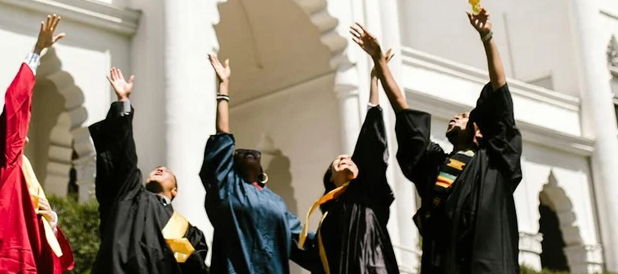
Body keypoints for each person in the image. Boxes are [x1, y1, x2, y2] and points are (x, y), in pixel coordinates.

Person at [357, 9, 522, 274]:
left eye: (465, 116)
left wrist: (487, 36)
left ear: (480, 132)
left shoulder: (496, 162)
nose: (456, 116)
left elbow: (500, 90)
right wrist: (379, 62)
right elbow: (404, 112)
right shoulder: (435, 165)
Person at [0, 14, 74, 274]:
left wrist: (50, 222)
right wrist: (37, 52)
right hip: (7, 264)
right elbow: (15, 105)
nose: (22, 136)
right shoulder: (0, 161)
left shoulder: (12, 173)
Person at [200, 54, 313, 274]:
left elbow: (301, 240)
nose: (249, 153)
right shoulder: (228, 188)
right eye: (241, 153)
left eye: (255, 154)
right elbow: (223, 138)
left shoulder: (276, 203)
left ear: (262, 170)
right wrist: (224, 89)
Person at [89, 66, 208, 272]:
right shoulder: (128, 195)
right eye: (157, 169)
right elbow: (124, 157)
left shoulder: (188, 232)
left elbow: (195, 270)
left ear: (175, 191)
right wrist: (123, 102)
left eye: (167, 171)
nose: (160, 169)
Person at [298, 34, 400, 274]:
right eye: (338, 161)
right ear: (331, 179)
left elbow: (371, 142)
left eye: (350, 159)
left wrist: (375, 80)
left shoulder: (368, 192)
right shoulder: (328, 218)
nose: (346, 160)